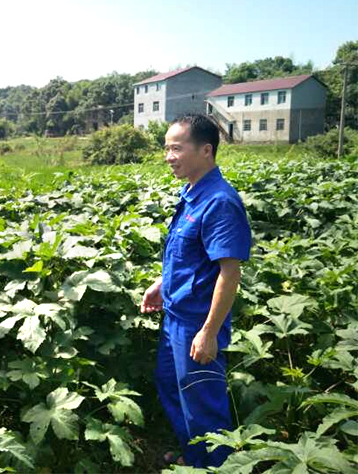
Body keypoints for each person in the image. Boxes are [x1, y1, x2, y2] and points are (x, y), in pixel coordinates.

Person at [140, 114, 252, 468]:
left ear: (206, 150)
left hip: (197, 323)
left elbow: (228, 274)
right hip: (175, 315)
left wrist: (209, 331)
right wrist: (162, 284)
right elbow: (189, 254)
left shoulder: (219, 201)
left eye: (177, 148)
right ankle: (194, 457)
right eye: (166, 148)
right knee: (172, 388)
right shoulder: (191, 193)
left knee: (203, 404)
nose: (169, 156)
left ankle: (217, 466)